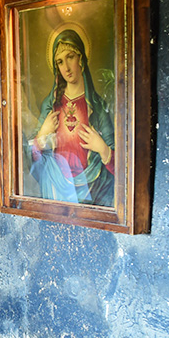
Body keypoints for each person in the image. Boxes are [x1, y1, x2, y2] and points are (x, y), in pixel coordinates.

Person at [28, 29, 115, 206]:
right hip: (54, 187)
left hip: (91, 187)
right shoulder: (50, 104)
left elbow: (120, 166)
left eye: (70, 57)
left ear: (81, 58)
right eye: (60, 62)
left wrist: (103, 149)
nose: (66, 67)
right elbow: (33, 158)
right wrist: (43, 134)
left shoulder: (97, 106)